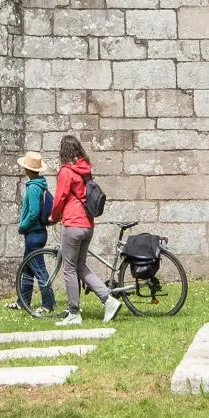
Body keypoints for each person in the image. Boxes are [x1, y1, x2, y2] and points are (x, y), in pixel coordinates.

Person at [51, 134, 120, 326]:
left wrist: (53, 217)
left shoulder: (66, 171)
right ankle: (108, 299)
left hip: (73, 224)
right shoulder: (85, 170)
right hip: (88, 224)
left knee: (69, 269)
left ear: (63, 153)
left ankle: (74, 313)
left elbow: (60, 199)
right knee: (80, 266)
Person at [8, 151, 55, 314]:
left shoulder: (34, 187)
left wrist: (23, 226)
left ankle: (48, 304)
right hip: (36, 234)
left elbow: (34, 212)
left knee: (40, 270)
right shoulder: (38, 184)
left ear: (27, 170)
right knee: (27, 269)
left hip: (34, 234)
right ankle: (23, 301)